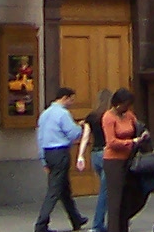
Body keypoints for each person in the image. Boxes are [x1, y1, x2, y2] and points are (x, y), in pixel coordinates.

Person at [35, 86, 88, 232]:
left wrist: (43, 159)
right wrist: (80, 127)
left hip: (48, 152)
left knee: (64, 188)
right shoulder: (63, 114)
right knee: (54, 190)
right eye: (71, 99)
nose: (72, 103)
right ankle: (41, 224)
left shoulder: (45, 114)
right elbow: (73, 134)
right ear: (65, 98)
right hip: (60, 152)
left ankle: (76, 219)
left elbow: (40, 137)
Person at [100, 90, 144, 232]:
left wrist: (143, 134)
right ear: (117, 104)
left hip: (129, 160)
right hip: (114, 161)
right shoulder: (108, 117)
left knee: (128, 198)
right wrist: (131, 142)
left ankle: (124, 228)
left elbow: (138, 126)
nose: (127, 108)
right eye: (125, 105)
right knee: (115, 200)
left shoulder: (129, 115)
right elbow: (111, 142)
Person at [73, 89, 112, 232]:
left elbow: (85, 137)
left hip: (95, 154)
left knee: (107, 189)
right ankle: (98, 225)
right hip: (107, 154)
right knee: (105, 191)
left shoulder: (92, 117)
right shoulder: (110, 116)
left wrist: (80, 155)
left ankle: (114, 220)